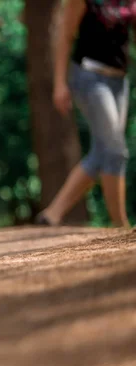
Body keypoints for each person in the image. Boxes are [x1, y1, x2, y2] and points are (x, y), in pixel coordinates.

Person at [37, 0, 134, 228]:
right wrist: (59, 83)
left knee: (102, 152)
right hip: (89, 77)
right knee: (115, 151)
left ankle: (52, 213)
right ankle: (121, 225)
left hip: (120, 80)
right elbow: (64, 36)